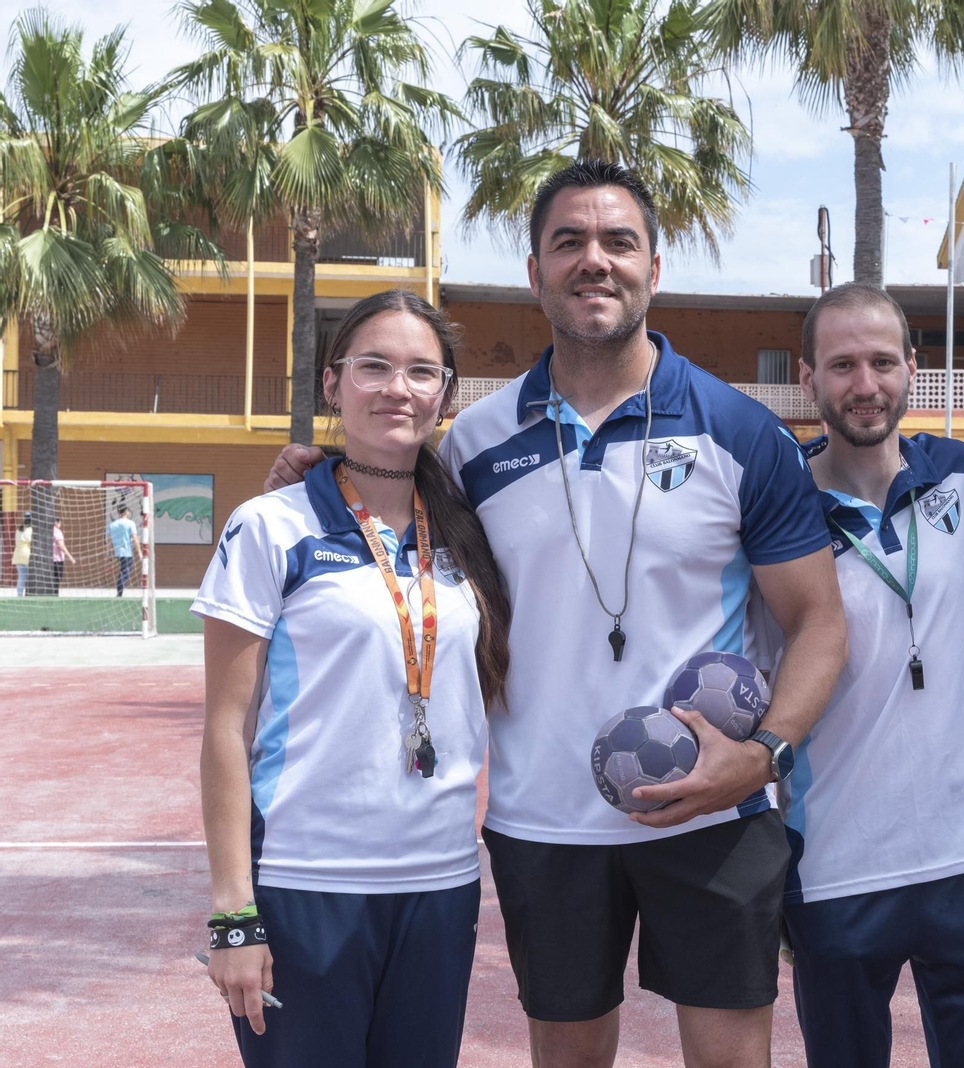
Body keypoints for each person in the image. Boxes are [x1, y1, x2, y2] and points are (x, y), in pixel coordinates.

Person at [266, 160, 848, 1068]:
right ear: (534, 273)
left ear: (656, 268)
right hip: (544, 817)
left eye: (619, 241)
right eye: (567, 242)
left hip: (714, 814)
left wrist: (762, 755)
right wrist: (317, 480)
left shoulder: (739, 432)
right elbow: (380, 504)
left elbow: (819, 622)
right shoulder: (472, 445)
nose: (594, 261)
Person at [197, 289, 513, 1066]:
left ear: (445, 396)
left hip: (440, 883)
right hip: (307, 881)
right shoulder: (271, 525)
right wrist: (233, 915)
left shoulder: (469, 532)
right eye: (373, 366)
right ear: (332, 384)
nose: (395, 387)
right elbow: (227, 730)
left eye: (420, 371)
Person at [773, 283, 964, 1067]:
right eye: (843, 365)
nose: (866, 385)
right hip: (834, 862)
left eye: (883, 362)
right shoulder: (776, 506)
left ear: (913, 370)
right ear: (808, 377)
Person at [107, 504, 142, 597]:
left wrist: (109, 553)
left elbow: (109, 540)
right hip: (127, 552)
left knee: (123, 570)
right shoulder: (131, 523)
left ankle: (119, 591)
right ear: (126, 511)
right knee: (126, 571)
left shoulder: (112, 525)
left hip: (117, 552)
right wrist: (139, 553)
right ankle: (119, 591)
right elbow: (135, 538)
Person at [51, 520, 75, 595]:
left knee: (51, 579)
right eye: (60, 523)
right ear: (56, 522)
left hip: (48, 559)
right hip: (57, 559)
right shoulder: (57, 532)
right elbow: (61, 546)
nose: (60, 524)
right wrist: (70, 557)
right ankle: (55, 595)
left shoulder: (47, 530)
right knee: (56, 579)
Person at [11, 511, 31, 596]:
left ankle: (19, 595)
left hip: (17, 556)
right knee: (29, 578)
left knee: (21, 577)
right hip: (26, 556)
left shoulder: (18, 530)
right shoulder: (30, 530)